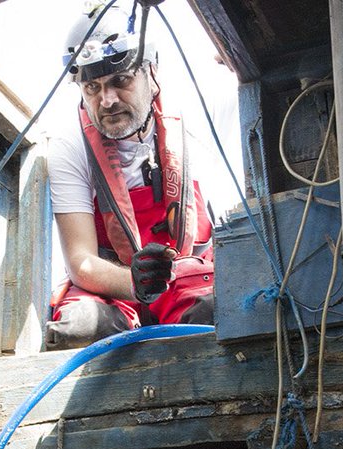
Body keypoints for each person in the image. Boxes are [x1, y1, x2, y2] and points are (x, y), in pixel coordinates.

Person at [45, 2, 215, 350]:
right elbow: (81, 262)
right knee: (75, 329)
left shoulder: (195, 124)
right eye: (92, 88)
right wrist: (137, 285)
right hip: (115, 285)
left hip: (187, 278)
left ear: (151, 73)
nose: (106, 100)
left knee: (220, 312)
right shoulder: (69, 146)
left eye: (120, 81)